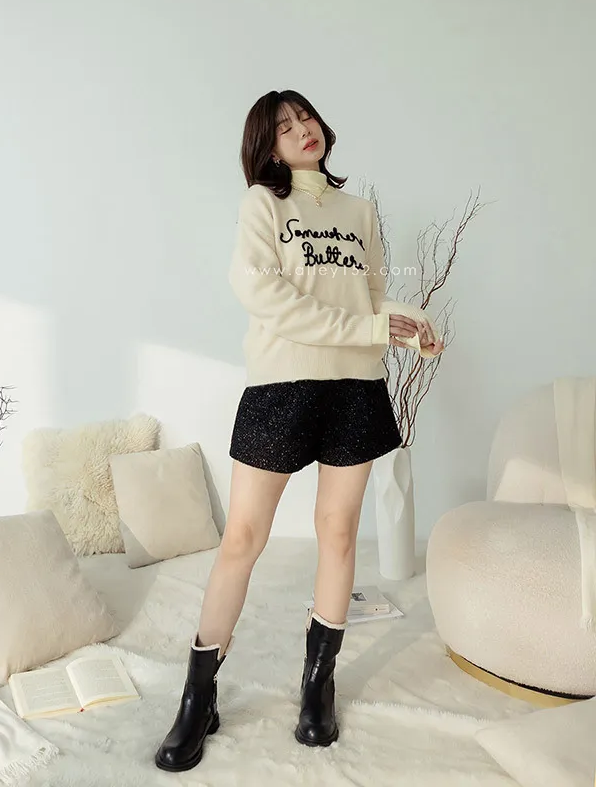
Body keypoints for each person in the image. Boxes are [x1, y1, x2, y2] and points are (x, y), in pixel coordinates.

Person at [154, 89, 444, 773]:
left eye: (305, 116)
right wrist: (368, 327)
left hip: (355, 389)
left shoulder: (359, 211)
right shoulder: (263, 205)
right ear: (268, 147)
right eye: (283, 126)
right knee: (241, 540)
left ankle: (319, 686)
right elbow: (267, 298)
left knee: (338, 534)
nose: (301, 129)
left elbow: (370, 298)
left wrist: (409, 326)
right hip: (282, 388)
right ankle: (198, 698)